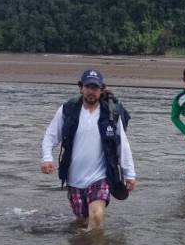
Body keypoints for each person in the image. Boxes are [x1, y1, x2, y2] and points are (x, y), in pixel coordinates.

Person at [41, 69, 136, 230]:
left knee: (97, 217)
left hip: (101, 176)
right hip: (74, 178)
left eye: (95, 88)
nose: (91, 91)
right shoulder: (67, 110)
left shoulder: (111, 114)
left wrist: (129, 174)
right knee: (83, 222)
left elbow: (123, 144)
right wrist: (46, 157)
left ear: (101, 89)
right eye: (88, 87)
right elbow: (50, 135)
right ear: (81, 88)